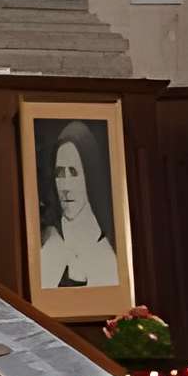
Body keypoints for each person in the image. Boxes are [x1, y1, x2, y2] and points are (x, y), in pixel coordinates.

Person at [35, 121, 119, 293]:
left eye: (73, 172)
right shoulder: (51, 244)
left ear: (89, 175)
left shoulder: (106, 258)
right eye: (59, 174)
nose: (65, 187)